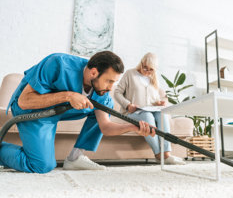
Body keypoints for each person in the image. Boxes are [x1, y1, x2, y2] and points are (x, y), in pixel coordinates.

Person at [0, 51, 155, 173]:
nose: (111, 88)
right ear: (94, 73)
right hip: (33, 108)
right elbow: (24, 101)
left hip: (59, 110)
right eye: (109, 81)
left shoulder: (101, 93)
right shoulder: (58, 64)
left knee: (100, 107)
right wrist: (68, 95)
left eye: (114, 82)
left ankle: (75, 157)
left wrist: (133, 127)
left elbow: (105, 126)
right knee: (42, 166)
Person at [114, 52, 185, 165]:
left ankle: (166, 154)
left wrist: (160, 102)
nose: (146, 71)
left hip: (150, 110)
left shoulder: (154, 79)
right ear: (141, 63)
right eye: (144, 67)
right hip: (132, 112)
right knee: (147, 116)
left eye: (150, 69)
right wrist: (128, 105)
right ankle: (158, 154)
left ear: (155, 69)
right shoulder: (130, 74)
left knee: (163, 114)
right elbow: (117, 93)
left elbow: (155, 99)